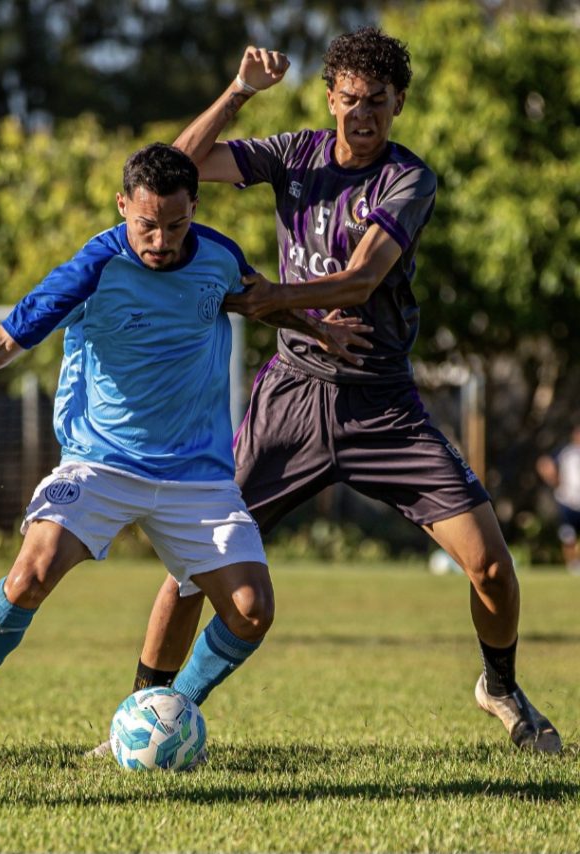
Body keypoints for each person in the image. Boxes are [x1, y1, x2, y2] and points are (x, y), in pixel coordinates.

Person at [95, 28, 561, 755]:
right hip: (290, 399)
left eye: (377, 101)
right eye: (349, 99)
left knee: (493, 566)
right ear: (329, 99)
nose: (362, 114)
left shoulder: (408, 179)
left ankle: (499, 686)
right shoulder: (293, 155)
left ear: (398, 103)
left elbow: (363, 279)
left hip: (382, 405)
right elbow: (176, 171)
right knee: (193, 566)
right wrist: (239, 91)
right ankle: (140, 715)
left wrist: (273, 296)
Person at [0, 143, 367, 765]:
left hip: (196, 475)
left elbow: (259, 300)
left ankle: (158, 715)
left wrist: (320, 328)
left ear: (195, 208)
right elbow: (2, 343)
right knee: (32, 572)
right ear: (122, 206)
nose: (161, 241)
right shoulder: (94, 267)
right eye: (146, 225)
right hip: (101, 461)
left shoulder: (218, 258)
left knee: (252, 611)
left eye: (176, 225)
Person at [536, 424, 580, 574]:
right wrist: (553, 479)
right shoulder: (566, 452)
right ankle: (573, 564)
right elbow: (544, 463)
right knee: (568, 534)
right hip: (567, 500)